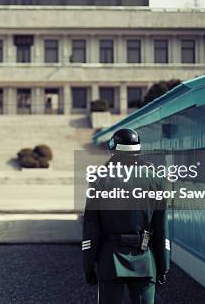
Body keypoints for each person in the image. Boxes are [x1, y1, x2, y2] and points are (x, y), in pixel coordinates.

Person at [82, 128, 169, 304]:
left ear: (113, 150)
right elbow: (161, 227)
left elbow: (91, 227)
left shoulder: (100, 178)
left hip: (110, 260)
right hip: (145, 260)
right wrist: (163, 265)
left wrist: (89, 265)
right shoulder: (155, 179)